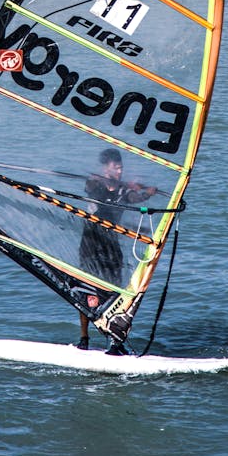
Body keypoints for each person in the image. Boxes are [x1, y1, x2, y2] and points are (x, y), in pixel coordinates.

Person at [76, 148, 156, 350]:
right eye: (115, 168)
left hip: (111, 246)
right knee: (86, 291)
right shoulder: (94, 183)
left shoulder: (123, 191)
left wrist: (146, 191)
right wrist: (112, 181)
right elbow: (94, 188)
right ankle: (84, 339)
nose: (119, 171)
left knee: (116, 291)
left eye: (121, 168)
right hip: (90, 244)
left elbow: (135, 199)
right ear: (105, 168)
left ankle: (115, 340)